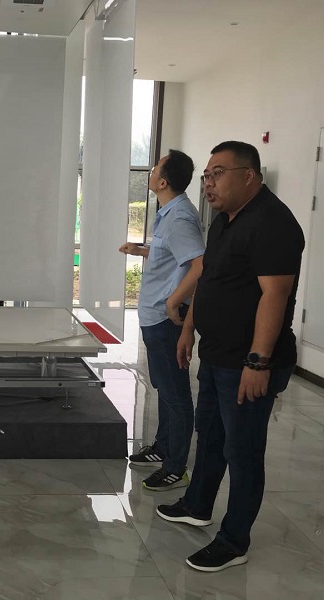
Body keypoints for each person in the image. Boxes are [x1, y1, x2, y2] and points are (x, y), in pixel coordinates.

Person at [156, 141, 305, 572]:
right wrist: (189, 327)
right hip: (217, 355)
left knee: (243, 452)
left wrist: (258, 362)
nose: (208, 183)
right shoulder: (224, 221)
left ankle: (234, 540)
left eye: (218, 173)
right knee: (210, 437)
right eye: (206, 175)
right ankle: (197, 505)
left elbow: (275, 295)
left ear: (249, 175)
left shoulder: (273, 223)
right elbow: (210, 279)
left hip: (247, 363)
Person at [121, 150, 204, 491]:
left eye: (155, 169)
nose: (151, 172)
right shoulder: (170, 212)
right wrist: (142, 251)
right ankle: (163, 447)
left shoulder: (179, 217)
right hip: (154, 317)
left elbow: (200, 263)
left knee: (175, 394)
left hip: (165, 319)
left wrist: (173, 301)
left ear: (163, 182)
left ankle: (176, 467)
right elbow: (174, 255)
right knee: (164, 389)